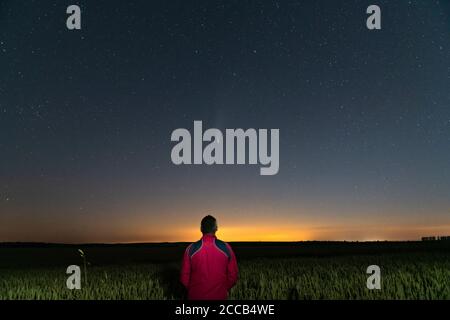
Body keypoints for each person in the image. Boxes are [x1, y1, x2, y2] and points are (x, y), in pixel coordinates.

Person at [180, 215, 239, 300]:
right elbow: (233, 275)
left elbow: (184, 277)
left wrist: (194, 290)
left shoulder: (190, 249)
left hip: (195, 296)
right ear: (216, 228)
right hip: (219, 296)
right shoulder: (226, 247)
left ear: (201, 229)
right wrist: (223, 288)